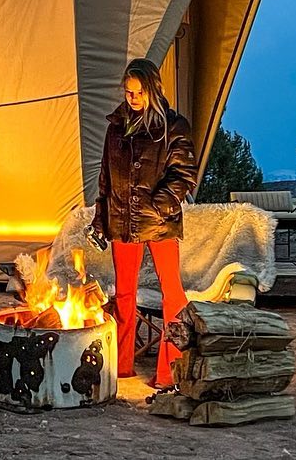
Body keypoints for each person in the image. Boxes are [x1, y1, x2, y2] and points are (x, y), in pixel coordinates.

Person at [87, 58, 198, 389]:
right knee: (123, 294)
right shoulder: (116, 127)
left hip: (159, 222)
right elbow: (105, 179)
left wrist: (158, 206)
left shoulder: (174, 127)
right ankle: (121, 366)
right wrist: (99, 221)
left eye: (139, 91)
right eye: (128, 91)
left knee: (172, 295)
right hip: (122, 221)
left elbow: (184, 175)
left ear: (153, 89)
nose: (133, 98)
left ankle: (168, 370)